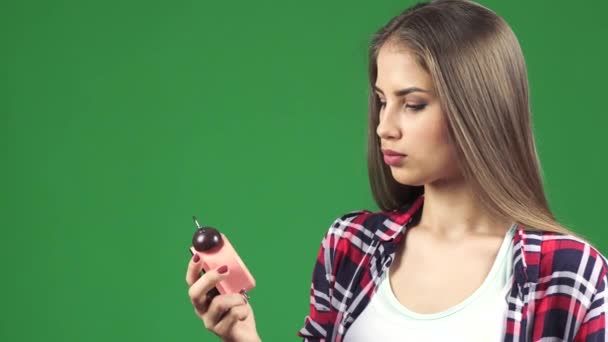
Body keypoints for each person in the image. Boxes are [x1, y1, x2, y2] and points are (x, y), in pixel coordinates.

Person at [185, 0, 608, 340]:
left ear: (479, 108)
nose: (384, 127)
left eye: (414, 103)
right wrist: (244, 337)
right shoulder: (349, 247)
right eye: (382, 101)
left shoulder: (571, 274)